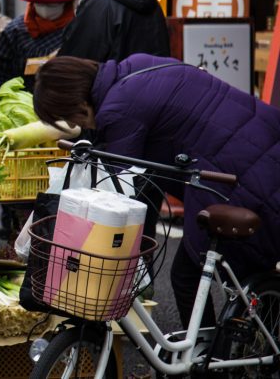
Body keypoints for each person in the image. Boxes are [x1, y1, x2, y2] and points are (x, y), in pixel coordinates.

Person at [33, 54, 280, 328]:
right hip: (262, 147)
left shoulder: (117, 110)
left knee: (188, 275)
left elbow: (118, 190)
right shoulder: (134, 67)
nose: (72, 125)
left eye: (65, 118)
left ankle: (204, 357)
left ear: (77, 105)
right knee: (243, 274)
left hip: (242, 176)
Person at [0, 0, 77, 106]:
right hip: (23, 113)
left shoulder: (79, 29)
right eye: (41, 3)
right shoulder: (15, 31)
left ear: (66, 2)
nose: (46, 9)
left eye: (53, 4)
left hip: (69, 112)